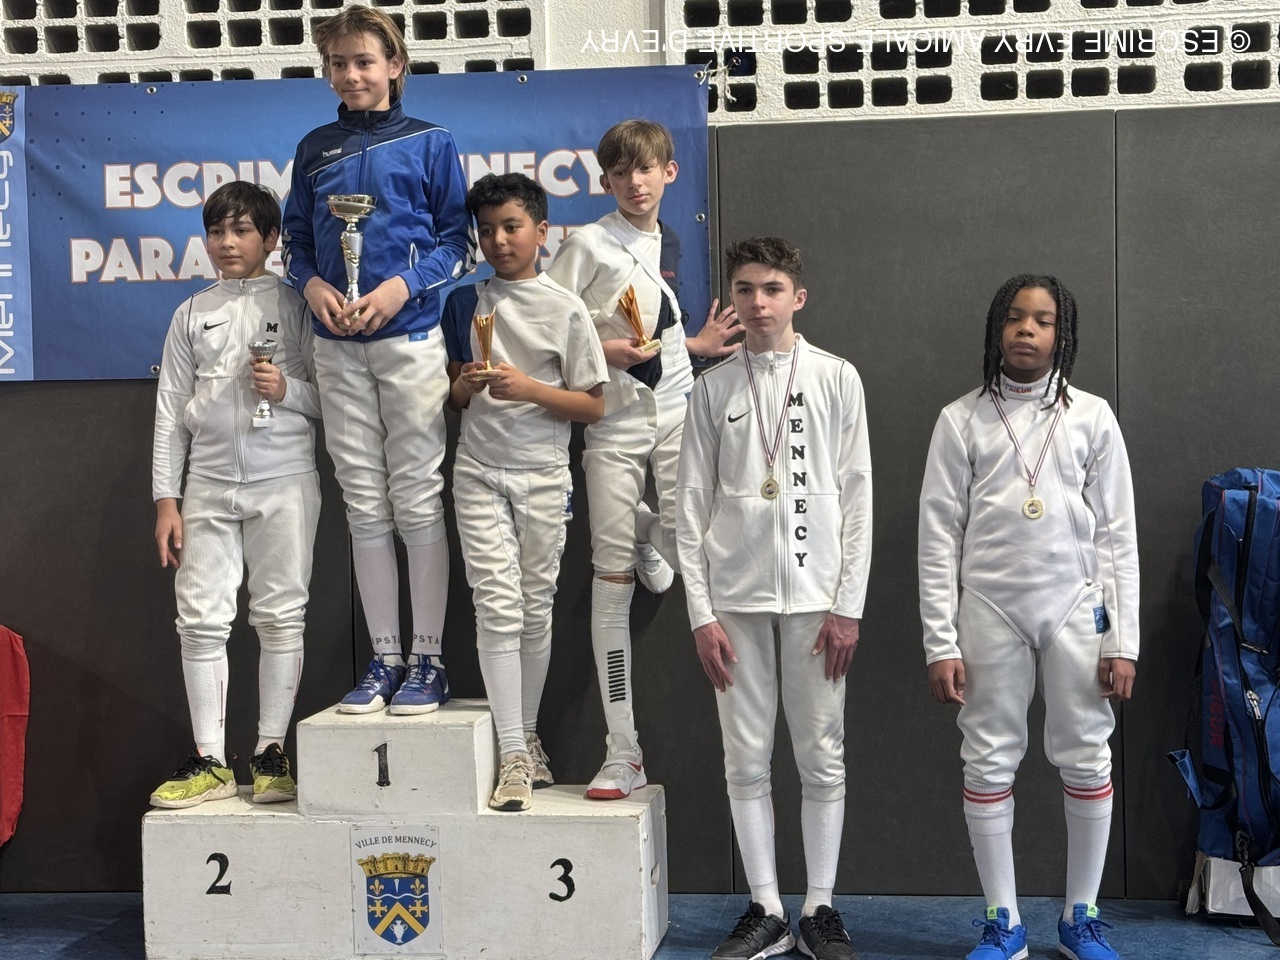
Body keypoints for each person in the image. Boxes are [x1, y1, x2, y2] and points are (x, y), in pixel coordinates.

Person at [917, 275, 1139, 960]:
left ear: (1061, 333)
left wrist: (1123, 640)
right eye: (1014, 318)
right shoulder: (960, 419)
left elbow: (1117, 536)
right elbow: (937, 537)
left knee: (1087, 755)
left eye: (1042, 320)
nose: (1026, 330)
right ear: (997, 328)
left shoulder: (1092, 417)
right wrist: (939, 642)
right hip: (989, 608)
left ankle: (1081, 918)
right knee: (988, 760)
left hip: (1076, 607)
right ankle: (1003, 921)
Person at [677, 237, 871, 960]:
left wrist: (849, 604)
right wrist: (700, 613)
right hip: (734, 601)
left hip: (819, 601)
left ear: (798, 297)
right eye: (745, 289)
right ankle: (766, 907)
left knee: (822, 756)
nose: (758, 302)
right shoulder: (711, 389)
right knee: (744, 758)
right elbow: (688, 506)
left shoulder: (836, 377)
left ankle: (819, 906)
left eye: (772, 289)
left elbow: (858, 497)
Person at [282, 3, 471, 715]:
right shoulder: (314, 147)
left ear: (395, 65)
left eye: (364, 61)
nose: (350, 74)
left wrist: (400, 288)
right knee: (363, 503)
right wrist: (313, 286)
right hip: (336, 347)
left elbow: (458, 243)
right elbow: (296, 243)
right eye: (338, 63)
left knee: (416, 497)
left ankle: (429, 659)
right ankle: (385, 659)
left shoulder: (432, 142)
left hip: (411, 339)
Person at [545, 118, 740, 799]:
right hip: (613, 421)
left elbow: (653, 328)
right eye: (622, 172)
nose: (635, 182)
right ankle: (623, 751)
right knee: (612, 573)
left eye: (646, 169)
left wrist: (693, 345)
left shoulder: (668, 241)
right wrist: (602, 354)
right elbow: (550, 333)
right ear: (605, 181)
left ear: (669, 172)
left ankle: (651, 534)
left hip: (679, 410)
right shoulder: (587, 244)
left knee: (694, 550)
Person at [150, 180, 321, 808]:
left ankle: (271, 752)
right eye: (217, 231)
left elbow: (334, 398)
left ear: (271, 239)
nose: (227, 242)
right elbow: (170, 412)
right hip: (208, 484)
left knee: (280, 616)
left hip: (285, 479)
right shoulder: (191, 313)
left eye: (242, 230)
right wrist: (166, 499)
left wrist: (287, 391)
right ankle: (210, 761)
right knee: (199, 620)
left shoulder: (298, 305)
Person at [442, 173, 607, 811]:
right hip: (479, 469)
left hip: (543, 474)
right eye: (486, 231)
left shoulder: (565, 308)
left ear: (541, 232)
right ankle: (512, 752)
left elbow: (593, 406)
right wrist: (468, 385)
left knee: (535, 608)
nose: (499, 241)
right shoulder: (465, 302)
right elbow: (454, 397)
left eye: (511, 227)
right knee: (497, 607)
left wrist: (530, 389)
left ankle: (528, 738)